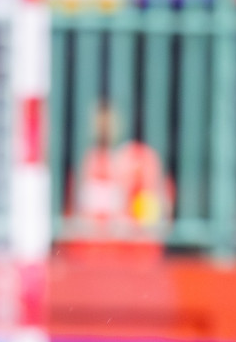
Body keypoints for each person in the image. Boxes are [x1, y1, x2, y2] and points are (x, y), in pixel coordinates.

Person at [69, 98, 173, 242]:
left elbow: (157, 214)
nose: (104, 123)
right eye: (99, 116)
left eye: (110, 116)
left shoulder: (143, 159)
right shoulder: (91, 160)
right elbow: (80, 213)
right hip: (97, 247)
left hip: (136, 245)